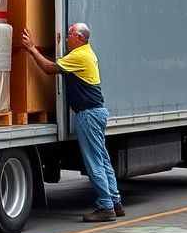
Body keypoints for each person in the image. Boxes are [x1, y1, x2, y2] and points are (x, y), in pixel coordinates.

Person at [21, 23, 124, 222]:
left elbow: (50, 69)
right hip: (97, 112)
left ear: (79, 37)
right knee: (103, 160)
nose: (66, 37)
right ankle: (115, 201)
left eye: (69, 34)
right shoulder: (87, 52)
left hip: (89, 115)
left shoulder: (80, 55)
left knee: (94, 162)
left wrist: (32, 48)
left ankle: (106, 206)